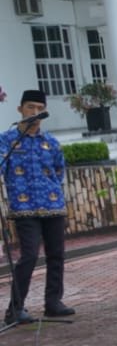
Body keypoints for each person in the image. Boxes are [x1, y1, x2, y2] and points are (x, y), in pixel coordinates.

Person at [3, 90, 73, 326]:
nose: (35, 112)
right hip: (24, 208)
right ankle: (15, 308)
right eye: (30, 107)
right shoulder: (7, 141)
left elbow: (59, 171)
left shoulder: (50, 142)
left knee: (56, 255)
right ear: (20, 110)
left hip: (52, 205)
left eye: (39, 108)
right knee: (29, 255)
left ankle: (53, 303)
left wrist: (52, 194)